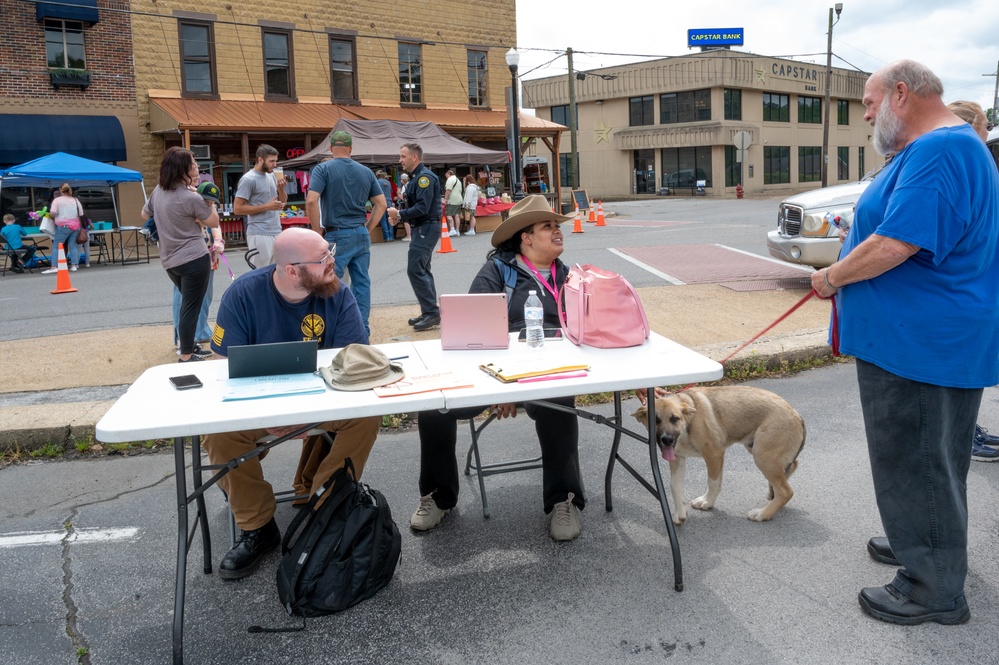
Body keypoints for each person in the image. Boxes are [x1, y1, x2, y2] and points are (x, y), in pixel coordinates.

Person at [811, 60, 999, 626]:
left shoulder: (939, 149)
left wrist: (832, 276)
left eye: (869, 103)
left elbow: (896, 241)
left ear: (900, 94)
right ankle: (925, 541)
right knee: (933, 458)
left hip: (918, 343)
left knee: (914, 459)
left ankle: (932, 587)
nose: (866, 115)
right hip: (929, 338)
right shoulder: (954, 146)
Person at [205, 227, 380, 580]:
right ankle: (258, 526)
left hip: (320, 402)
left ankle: (326, 507)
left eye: (329, 252)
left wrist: (305, 415)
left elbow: (353, 363)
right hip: (256, 406)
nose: (333, 261)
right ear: (291, 270)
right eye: (323, 259)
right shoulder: (242, 295)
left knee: (367, 414)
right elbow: (221, 368)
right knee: (217, 432)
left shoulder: (338, 294)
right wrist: (269, 414)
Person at [410, 194, 586, 541]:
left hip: (548, 374)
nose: (557, 231)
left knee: (560, 405)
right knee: (434, 407)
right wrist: (502, 386)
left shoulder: (570, 276)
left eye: (557, 225)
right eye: (547, 226)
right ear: (526, 237)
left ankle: (564, 500)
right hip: (494, 374)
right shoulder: (498, 272)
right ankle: (437, 496)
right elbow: (473, 331)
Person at [946, 100, 999, 461]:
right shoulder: (961, 160)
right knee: (959, 373)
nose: (987, 132)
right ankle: (966, 436)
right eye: (984, 125)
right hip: (963, 295)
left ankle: (968, 432)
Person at [141, 147, 220, 363]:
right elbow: (213, 221)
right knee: (191, 307)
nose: (195, 166)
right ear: (183, 169)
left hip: (170, 261)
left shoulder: (158, 191)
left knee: (187, 303)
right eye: (192, 163)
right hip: (194, 257)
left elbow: (144, 213)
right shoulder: (190, 197)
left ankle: (188, 345)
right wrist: (208, 203)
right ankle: (186, 354)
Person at [305, 131, 386, 335]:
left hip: (336, 233)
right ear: (351, 149)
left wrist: (317, 231)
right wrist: (367, 228)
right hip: (359, 231)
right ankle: (362, 329)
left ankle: (334, 328)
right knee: (362, 283)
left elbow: (312, 200)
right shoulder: (366, 171)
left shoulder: (323, 169)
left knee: (329, 283)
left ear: (331, 148)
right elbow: (381, 204)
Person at [387, 143, 442, 331]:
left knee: (415, 269)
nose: (400, 160)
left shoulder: (423, 178)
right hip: (423, 227)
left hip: (426, 228)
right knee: (422, 269)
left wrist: (399, 215)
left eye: (403, 156)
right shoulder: (417, 177)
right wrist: (400, 215)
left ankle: (431, 313)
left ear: (414, 158)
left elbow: (422, 208)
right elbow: (417, 206)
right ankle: (430, 311)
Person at [171, 223, 224, 355]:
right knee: (186, 299)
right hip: (187, 255)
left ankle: (199, 331)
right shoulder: (183, 204)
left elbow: (214, 221)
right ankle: (185, 340)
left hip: (206, 252)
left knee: (205, 296)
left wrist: (218, 239)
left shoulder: (206, 205)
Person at [233, 144, 287, 267]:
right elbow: (237, 209)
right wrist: (266, 206)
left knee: (276, 273)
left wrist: (281, 189)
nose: (274, 165)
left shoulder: (272, 175)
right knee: (260, 273)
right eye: (271, 161)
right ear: (260, 159)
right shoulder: (248, 179)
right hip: (259, 232)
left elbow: (282, 204)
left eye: (275, 161)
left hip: (276, 230)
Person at [43, 183, 84, 273]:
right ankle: (74, 265)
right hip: (75, 226)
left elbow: (53, 213)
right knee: (72, 245)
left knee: (56, 246)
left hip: (63, 226)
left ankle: (54, 266)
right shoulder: (75, 200)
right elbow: (81, 214)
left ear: (60, 190)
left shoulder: (57, 200)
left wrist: (56, 214)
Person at [375, 170, 395, 242]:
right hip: (389, 202)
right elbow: (390, 192)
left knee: (383, 220)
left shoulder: (377, 182)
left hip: (381, 203)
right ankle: (391, 236)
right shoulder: (388, 182)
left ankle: (386, 237)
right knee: (390, 219)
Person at [443, 169, 462, 236]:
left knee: (448, 215)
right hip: (458, 199)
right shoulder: (458, 180)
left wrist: (445, 199)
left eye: (446, 175)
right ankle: (457, 231)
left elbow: (448, 190)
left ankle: (452, 229)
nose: (446, 177)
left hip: (452, 200)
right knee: (457, 215)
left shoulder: (450, 180)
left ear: (449, 174)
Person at [396, 173, 412, 241]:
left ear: (402, 180)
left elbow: (402, 197)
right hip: (411, 205)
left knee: (406, 220)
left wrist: (398, 194)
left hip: (405, 206)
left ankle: (408, 236)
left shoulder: (404, 187)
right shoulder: (410, 184)